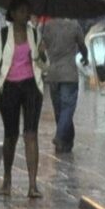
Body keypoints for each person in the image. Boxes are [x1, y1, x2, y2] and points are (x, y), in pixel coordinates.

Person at [0, 0, 46, 198]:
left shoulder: (35, 35)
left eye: (27, 11)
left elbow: (45, 66)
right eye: (20, 11)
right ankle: (7, 177)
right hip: (8, 87)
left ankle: (32, 184)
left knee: (31, 134)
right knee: (11, 134)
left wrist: (40, 55)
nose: (25, 15)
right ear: (12, 13)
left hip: (31, 87)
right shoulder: (3, 35)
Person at [39, 17, 86, 153]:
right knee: (67, 108)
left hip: (53, 74)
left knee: (59, 110)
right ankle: (60, 136)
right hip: (69, 74)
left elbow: (40, 51)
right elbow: (82, 46)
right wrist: (86, 57)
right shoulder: (74, 24)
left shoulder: (46, 27)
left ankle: (67, 142)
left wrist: (45, 60)